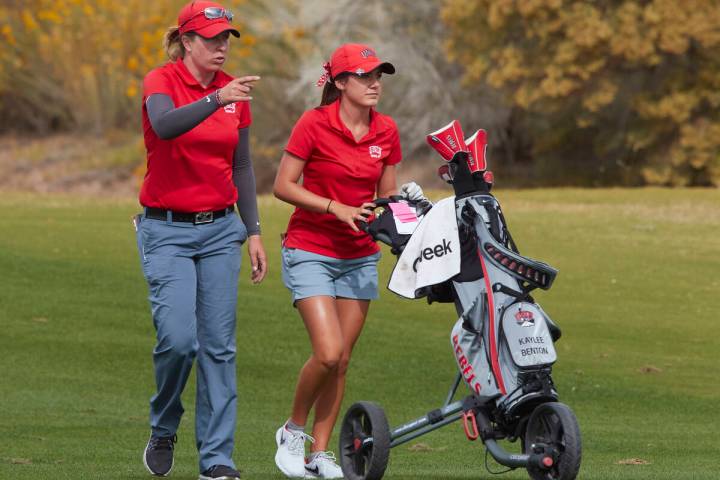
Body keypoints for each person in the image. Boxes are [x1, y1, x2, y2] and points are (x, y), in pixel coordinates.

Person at [272, 43, 426, 479]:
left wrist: (409, 213)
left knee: (341, 361)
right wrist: (333, 207)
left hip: (359, 256)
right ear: (340, 83)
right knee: (327, 352)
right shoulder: (313, 124)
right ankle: (292, 431)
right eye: (364, 76)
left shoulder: (387, 130)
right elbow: (283, 185)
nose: (375, 83)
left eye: (379, 75)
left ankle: (320, 453)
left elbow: (388, 197)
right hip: (310, 247)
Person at [135, 2, 267, 479]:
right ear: (186, 42)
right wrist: (217, 99)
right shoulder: (160, 81)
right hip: (165, 229)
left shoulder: (237, 94)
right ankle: (164, 423)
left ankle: (217, 461)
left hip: (219, 231)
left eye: (226, 38)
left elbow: (243, 166)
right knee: (178, 341)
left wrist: (253, 231)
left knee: (219, 347)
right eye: (211, 38)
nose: (221, 47)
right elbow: (167, 126)